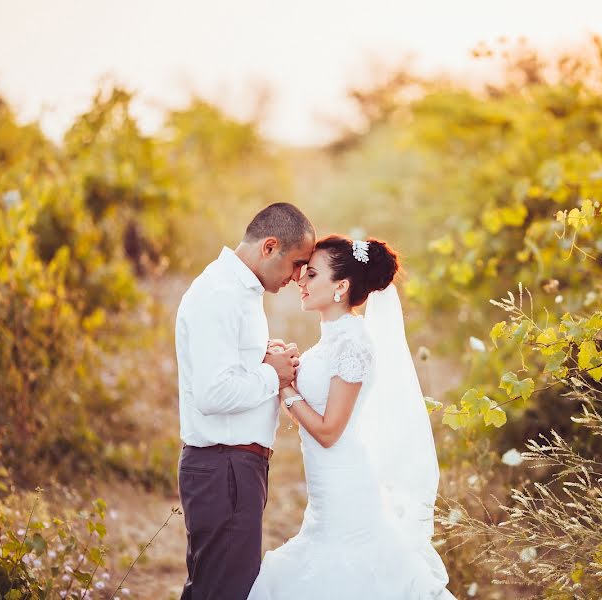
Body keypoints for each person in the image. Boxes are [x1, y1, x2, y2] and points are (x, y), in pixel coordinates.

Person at [247, 234, 456, 600]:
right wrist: (289, 364)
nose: (300, 280)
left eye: (312, 275)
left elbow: (329, 431)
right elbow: (316, 396)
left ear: (341, 286)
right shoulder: (332, 339)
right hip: (328, 490)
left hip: (347, 488)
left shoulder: (353, 343)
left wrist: (285, 388)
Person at [174, 202, 315, 600]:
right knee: (224, 591)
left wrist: (261, 359)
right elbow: (212, 394)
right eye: (297, 263)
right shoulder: (220, 294)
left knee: (214, 588)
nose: (299, 276)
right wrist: (274, 374)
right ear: (269, 247)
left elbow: (226, 372)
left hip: (234, 467)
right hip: (225, 466)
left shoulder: (240, 291)